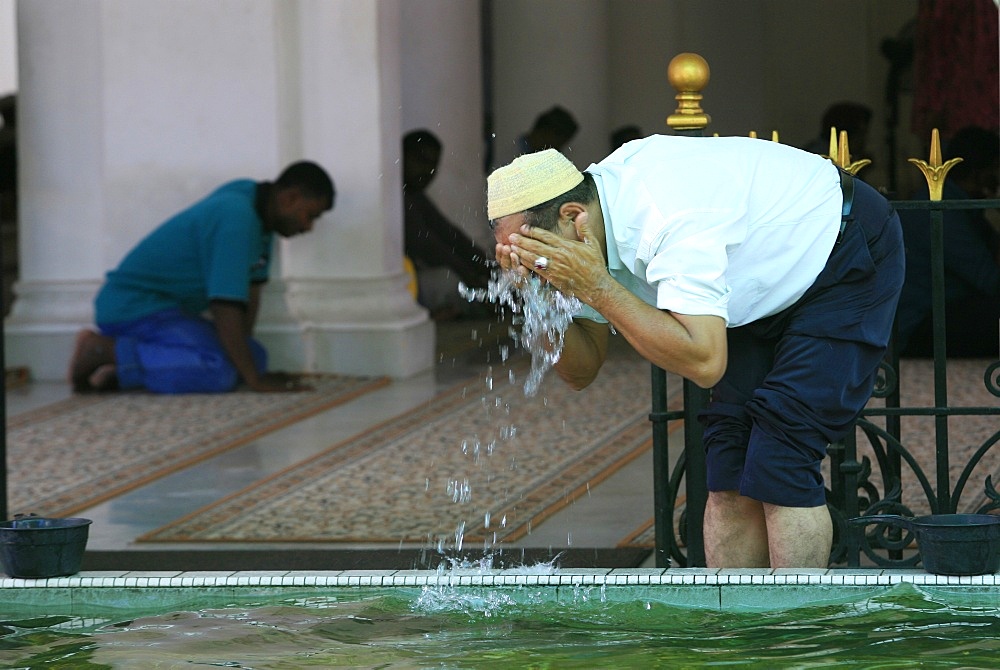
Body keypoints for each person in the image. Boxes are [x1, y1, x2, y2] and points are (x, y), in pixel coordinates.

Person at [487, 137, 904, 569]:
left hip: (839, 247)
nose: (537, 266)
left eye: (535, 255)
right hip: (754, 280)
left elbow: (705, 363)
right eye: (518, 257)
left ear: (575, 219)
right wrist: (532, 293)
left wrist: (596, 286)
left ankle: (791, 631)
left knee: (782, 454)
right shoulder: (583, 238)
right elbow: (581, 369)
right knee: (728, 464)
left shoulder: (664, 215)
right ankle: (734, 628)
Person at [68, 161, 335, 394]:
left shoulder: (261, 214)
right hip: (135, 307)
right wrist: (254, 380)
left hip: (168, 311)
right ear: (290, 198)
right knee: (217, 371)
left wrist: (250, 367)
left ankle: (123, 371)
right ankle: (101, 349)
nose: (308, 227)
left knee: (254, 356)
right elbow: (225, 305)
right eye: (309, 215)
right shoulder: (237, 217)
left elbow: (251, 291)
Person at [894, 126, 1000, 357]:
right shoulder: (943, 210)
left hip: (939, 314)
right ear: (979, 173)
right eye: (995, 169)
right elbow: (990, 280)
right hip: (921, 325)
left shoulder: (955, 204)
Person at [402, 130, 492, 319]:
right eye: (420, 161)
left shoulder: (415, 195)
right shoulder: (394, 196)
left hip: (414, 280)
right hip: (399, 287)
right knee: (447, 282)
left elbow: (450, 235)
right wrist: (472, 279)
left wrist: (490, 269)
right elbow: (429, 247)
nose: (427, 171)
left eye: (432, 165)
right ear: (401, 157)